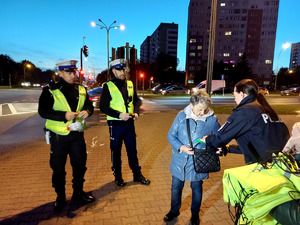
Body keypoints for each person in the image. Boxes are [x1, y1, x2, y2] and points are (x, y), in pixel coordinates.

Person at [38, 59, 95, 211]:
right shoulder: (50, 90)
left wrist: (87, 111)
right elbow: (43, 111)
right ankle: (60, 197)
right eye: (69, 72)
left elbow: (89, 105)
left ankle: (78, 193)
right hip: (58, 137)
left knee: (80, 166)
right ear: (61, 73)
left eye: (74, 71)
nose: (72, 75)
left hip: (77, 135)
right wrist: (64, 115)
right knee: (58, 169)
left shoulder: (81, 89)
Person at [164, 90, 220, 225]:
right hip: (180, 160)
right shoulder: (181, 116)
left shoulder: (211, 119)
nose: (202, 112)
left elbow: (219, 138)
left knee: (196, 188)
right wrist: (181, 147)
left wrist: (211, 140)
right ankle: (174, 210)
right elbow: (171, 135)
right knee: (176, 188)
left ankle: (195, 214)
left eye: (205, 109)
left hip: (199, 161)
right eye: (200, 109)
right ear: (192, 104)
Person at [203, 79, 290, 165]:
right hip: (281, 164)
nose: (235, 99)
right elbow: (259, 144)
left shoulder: (245, 111)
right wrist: (228, 149)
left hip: (264, 166)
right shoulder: (265, 109)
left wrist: (207, 140)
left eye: (235, 96)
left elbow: (221, 138)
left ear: (242, 94)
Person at [99, 58, 150, 187]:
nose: (123, 72)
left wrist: (137, 112)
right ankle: (118, 176)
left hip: (129, 124)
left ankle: (137, 175)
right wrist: (119, 115)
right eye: (119, 69)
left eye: (124, 69)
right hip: (115, 125)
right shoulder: (107, 86)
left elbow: (136, 100)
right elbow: (103, 107)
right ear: (113, 71)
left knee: (132, 150)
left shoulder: (130, 84)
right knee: (116, 151)